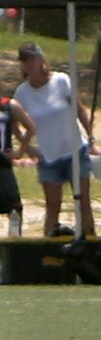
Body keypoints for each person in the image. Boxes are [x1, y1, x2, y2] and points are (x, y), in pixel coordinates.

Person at [13, 41, 95, 237]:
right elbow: (13, 124)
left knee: (83, 202)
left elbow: (78, 108)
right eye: (25, 61)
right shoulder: (22, 93)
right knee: (52, 206)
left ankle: (90, 245)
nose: (29, 64)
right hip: (48, 157)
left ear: (41, 59)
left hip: (75, 150)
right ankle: (49, 250)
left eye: (32, 59)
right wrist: (28, 148)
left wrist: (90, 135)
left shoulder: (60, 80)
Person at [0, 84, 33, 237]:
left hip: (3, 166)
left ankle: (13, 243)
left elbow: (31, 127)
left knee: (15, 209)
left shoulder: (8, 106)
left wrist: (20, 151)